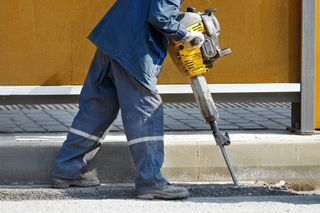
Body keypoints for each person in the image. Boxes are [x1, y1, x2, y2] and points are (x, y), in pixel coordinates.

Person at [51, 0, 204, 200]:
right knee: (146, 111)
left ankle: (66, 170)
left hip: (110, 41)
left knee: (98, 109)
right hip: (134, 49)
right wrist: (187, 34)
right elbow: (161, 17)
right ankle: (151, 182)